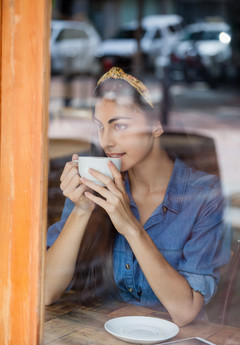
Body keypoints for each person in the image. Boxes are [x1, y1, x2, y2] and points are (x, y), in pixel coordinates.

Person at [45, 67, 230, 327]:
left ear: (156, 125)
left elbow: (185, 311)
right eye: (99, 127)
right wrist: (82, 210)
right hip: (100, 342)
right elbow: (45, 292)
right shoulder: (96, 184)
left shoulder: (203, 195)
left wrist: (129, 226)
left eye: (119, 125)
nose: (106, 141)